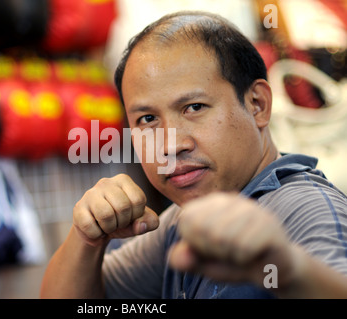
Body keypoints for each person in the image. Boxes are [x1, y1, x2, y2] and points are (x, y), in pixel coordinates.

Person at [40, 11, 347, 299]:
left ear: (257, 104)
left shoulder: (304, 209)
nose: (170, 145)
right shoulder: (182, 221)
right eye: (147, 119)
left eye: (194, 108)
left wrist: (289, 271)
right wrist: (88, 238)